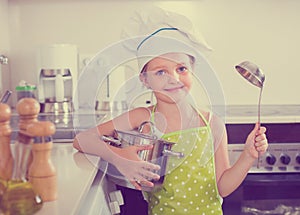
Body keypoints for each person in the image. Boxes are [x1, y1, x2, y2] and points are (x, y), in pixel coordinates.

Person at [73, 25, 268, 215]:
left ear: (192, 70)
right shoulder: (142, 116)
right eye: (161, 72)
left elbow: (223, 187)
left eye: (181, 68)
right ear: (145, 79)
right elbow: (82, 140)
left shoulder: (212, 123)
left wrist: (248, 156)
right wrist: (119, 157)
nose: (174, 78)